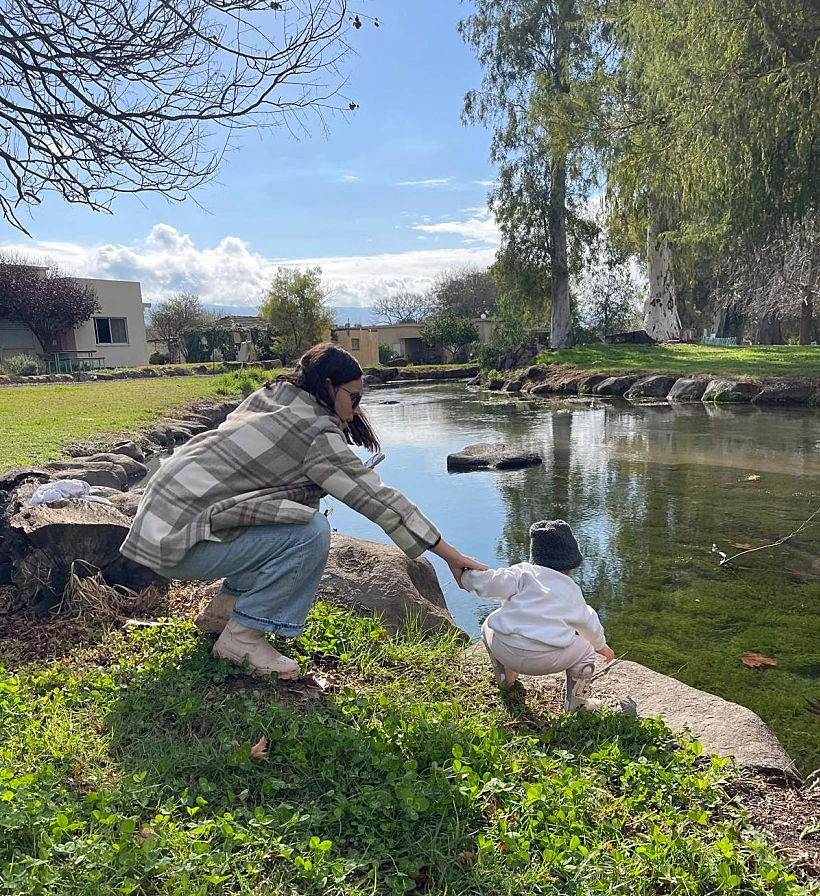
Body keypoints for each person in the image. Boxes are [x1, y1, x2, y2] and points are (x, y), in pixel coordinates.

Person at [120, 342, 486, 679]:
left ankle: (225, 613)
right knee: (309, 532)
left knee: (285, 517)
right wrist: (450, 554)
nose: (357, 409)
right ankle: (242, 638)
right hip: (181, 543)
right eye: (355, 398)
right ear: (329, 387)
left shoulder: (271, 395)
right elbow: (380, 501)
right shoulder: (317, 434)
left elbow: (261, 482)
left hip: (158, 524)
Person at [461, 519, 615, 712]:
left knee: (489, 624)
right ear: (571, 564)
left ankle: (506, 678)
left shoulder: (521, 573)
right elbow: (588, 621)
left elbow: (489, 582)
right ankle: (577, 705)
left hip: (506, 650)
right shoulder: (571, 590)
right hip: (545, 661)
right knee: (585, 650)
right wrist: (601, 646)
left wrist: (467, 575)